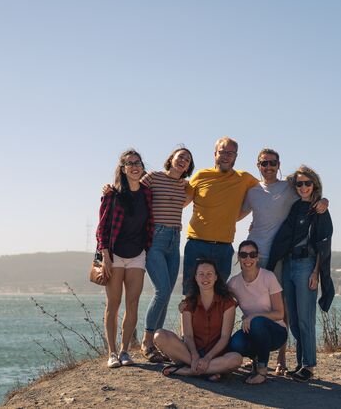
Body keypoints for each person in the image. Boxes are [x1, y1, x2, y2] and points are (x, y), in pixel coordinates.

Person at [238, 148, 329, 375]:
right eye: (263, 163)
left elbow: (312, 192)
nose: (268, 167)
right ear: (257, 165)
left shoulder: (290, 188)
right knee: (253, 305)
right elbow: (236, 214)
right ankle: (258, 356)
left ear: (279, 165)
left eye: (272, 163)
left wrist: (324, 200)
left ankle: (282, 360)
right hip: (255, 255)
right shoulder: (252, 192)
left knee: (284, 309)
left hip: (281, 256)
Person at [268, 165, 334, 382]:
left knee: (306, 319)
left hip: (306, 266)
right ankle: (300, 363)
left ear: (314, 184)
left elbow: (323, 244)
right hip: (288, 264)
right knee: (294, 320)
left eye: (307, 183)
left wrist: (316, 273)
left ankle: (309, 365)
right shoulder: (295, 207)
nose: (303, 187)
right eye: (299, 183)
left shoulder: (320, 209)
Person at [96, 149, 154, 368]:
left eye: (137, 162)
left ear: (142, 166)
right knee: (114, 303)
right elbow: (102, 228)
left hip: (137, 254)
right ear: (122, 168)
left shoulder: (148, 193)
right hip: (115, 255)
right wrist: (106, 257)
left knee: (133, 303)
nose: (134, 166)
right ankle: (111, 353)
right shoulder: (112, 194)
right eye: (129, 163)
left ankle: (125, 351)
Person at [138, 147, 194, 362]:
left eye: (187, 160)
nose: (183, 161)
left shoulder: (184, 185)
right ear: (171, 159)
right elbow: (133, 191)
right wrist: (111, 189)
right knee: (161, 291)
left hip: (175, 239)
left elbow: (187, 200)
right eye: (180, 157)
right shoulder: (153, 177)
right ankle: (146, 341)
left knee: (167, 293)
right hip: (155, 239)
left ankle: (158, 342)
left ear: (189, 166)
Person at [183, 137, 258, 292]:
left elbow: (268, 191)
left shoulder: (244, 178)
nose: (226, 156)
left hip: (224, 248)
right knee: (190, 296)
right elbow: (180, 203)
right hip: (196, 245)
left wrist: (250, 215)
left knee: (219, 297)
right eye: (222, 152)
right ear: (215, 154)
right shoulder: (200, 176)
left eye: (230, 153)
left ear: (236, 156)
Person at [154, 259, 242, 381]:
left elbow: (224, 337)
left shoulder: (227, 302)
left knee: (236, 359)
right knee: (160, 335)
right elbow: (188, 335)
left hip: (215, 355)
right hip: (189, 353)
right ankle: (207, 371)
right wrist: (195, 355)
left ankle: (190, 371)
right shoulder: (188, 303)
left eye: (209, 274)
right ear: (195, 277)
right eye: (201, 274)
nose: (205, 277)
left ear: (216, 277)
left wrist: (207, 358)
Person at [227, 240, 288, 385]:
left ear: (257, 257)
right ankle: (255, 359)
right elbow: (223, 306)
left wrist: (254, 316)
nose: (248, 259)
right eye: (243, 255)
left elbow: (280, 313)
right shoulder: (233, 283)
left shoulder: (268, 277)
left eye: (252, 254)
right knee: (235, 344)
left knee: (257, 322)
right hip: (252, 332)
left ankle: (262, 370)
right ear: (238, 258)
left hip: (276, 332)